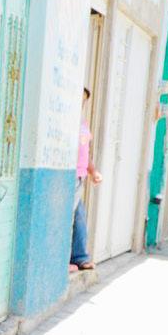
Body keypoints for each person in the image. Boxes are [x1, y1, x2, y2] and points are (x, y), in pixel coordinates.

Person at [72, 88, 101, 272]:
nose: (81, 104)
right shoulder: (67, 121)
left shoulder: (82, 123)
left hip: (80, 176)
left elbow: (85, 153)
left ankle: (80, 258)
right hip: (71, 176)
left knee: (79, 217)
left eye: (84, 101)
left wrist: (93, 171)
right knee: (70, 216)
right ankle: (69, 259)